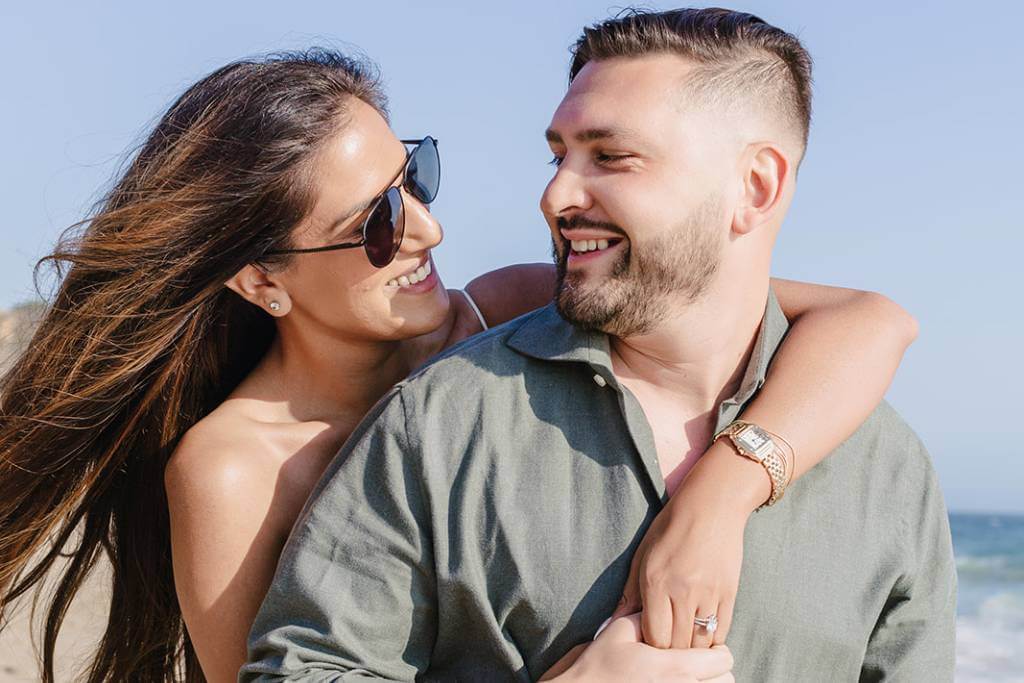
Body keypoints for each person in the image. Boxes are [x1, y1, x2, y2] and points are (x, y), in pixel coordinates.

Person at [0, 44, 915, 683]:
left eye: (414, 177)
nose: (429, 228)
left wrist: (723, 491)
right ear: (262, 280)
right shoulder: (234, 467)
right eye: (378, 223)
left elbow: (871, 320)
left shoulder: (505, 309)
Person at [242, 8, 956, 683]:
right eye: (558, 156)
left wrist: (731, 482)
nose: (555, 196)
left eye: (610, 156)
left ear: (756, 186)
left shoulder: (887, 470)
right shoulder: (439, 421)